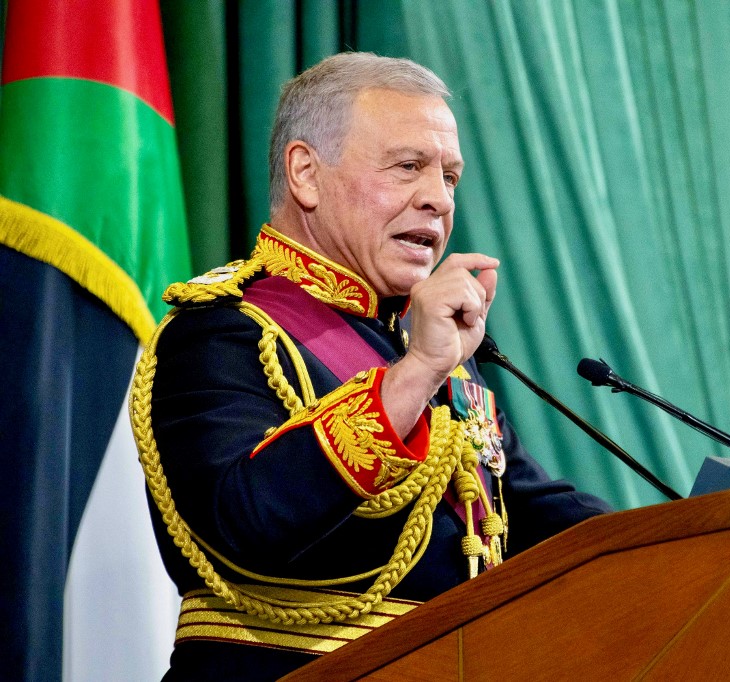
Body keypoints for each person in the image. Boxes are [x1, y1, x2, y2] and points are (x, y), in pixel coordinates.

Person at [132, 52, 611, 681]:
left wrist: (704, 539)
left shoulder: (431, 357)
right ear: (306, 174)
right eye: (408, 167)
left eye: (450, 177)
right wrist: (418, 372)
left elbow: (538, 518)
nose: (438, 199)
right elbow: (242, 524)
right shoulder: (220, 330)